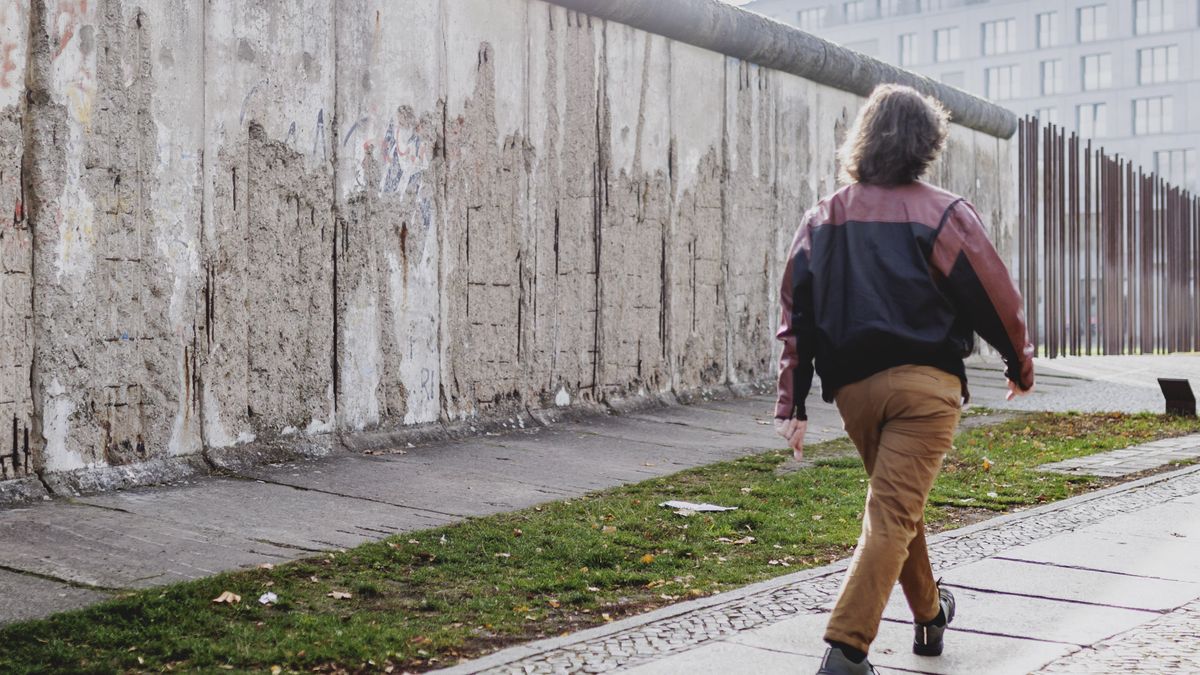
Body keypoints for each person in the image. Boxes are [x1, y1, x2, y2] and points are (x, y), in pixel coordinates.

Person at [773, 84, 1035, 675]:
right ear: (926, 143)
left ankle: (931, 616)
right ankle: (846, 649)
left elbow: (798, 315)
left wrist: (794, 402)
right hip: (926, 392)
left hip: (856, 395)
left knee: (898, 506)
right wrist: (1020, 361)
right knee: (892, 513)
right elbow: (993, 294)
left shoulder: (823, 217)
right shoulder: (943, 212)